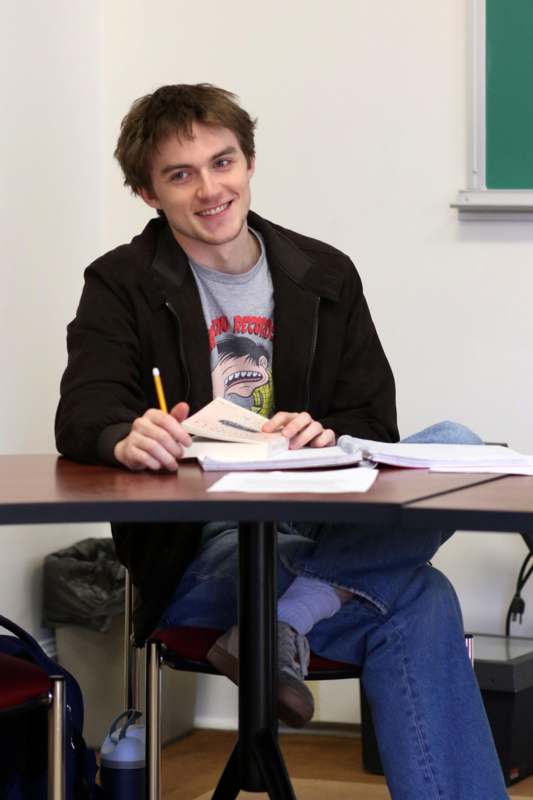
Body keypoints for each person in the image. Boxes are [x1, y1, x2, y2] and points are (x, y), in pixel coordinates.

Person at [56, 84, 508, 799]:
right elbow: (84, 410)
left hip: (316, 522)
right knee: (420, 597)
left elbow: (374, 428)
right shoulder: (121, 282)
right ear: (148, 193)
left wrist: (326, 436)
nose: (210, 189)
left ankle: (281, 621)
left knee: (461, 444)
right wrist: (124, 434)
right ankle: (288, 619)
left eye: (222, 162)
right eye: (180, 174)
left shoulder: (324, 273)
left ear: (248, 161)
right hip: (204, 552)